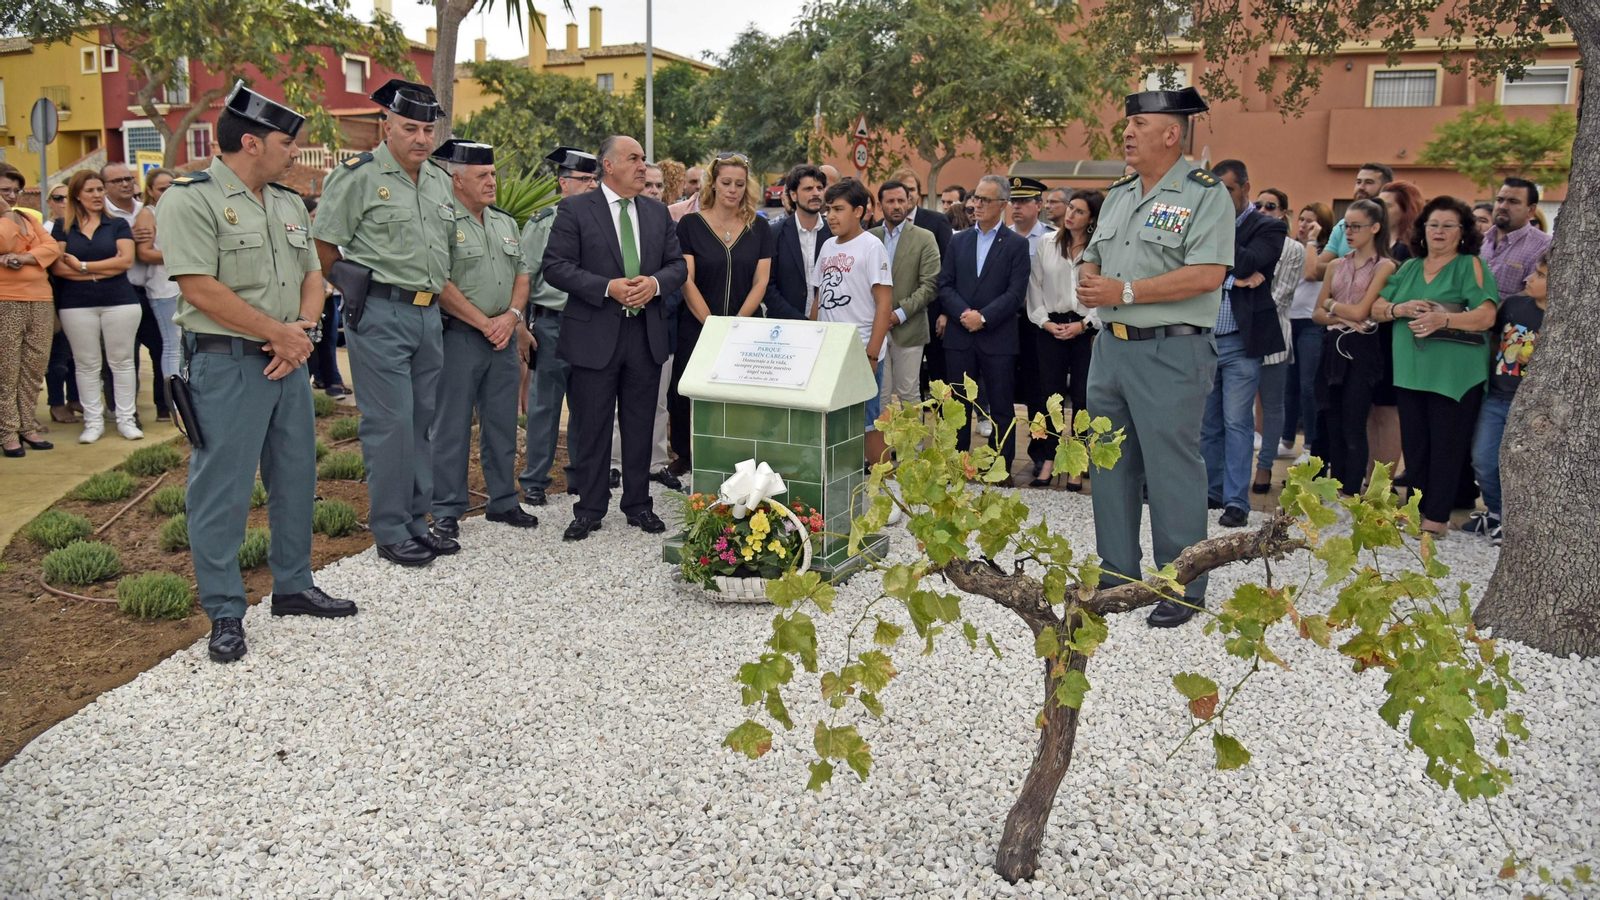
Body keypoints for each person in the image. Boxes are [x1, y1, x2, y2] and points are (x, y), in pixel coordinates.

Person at [156, 82, 358, 663]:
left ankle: (293, 585)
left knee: (295, 478)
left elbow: (312, 276)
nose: (294, 152)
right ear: (250, 142)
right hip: (227, 365)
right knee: (222, 490)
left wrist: (300, 333)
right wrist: (280, 334)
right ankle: (224, 609)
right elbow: (199, 287)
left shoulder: (289, 203)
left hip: (287, 361)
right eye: (285, 142)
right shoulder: (189, 199)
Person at [1077, 87, 1234, 628]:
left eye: (1139, 124)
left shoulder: (1204, 194)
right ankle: (1118, 571)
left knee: (1171, 470)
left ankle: (1181, 584)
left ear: (1172, 133)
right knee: (1109, 465)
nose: (1126, 132)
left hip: (1171, 350)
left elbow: (1208, 273)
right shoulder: (1120, 192)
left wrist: (1125, 292)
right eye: (1128, 123)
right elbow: (1094, 254)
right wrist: (1088, 281)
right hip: (1111, 350)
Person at [311, 78, 460, 567]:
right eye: (410, 128)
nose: (421, 138)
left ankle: (418, 522)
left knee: (420, 423)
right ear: (386, 126)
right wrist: (351, 289)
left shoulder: (438, 179)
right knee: (390, 424)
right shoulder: (356, 176)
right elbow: (325, 246)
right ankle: (391, 528)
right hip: (380, 312)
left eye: (427, 130)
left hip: (427, 313)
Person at [542, 134, 687, 542]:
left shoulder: (658, 214)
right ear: (608, 166)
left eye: (643, 159)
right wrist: (608, 287)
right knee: (592, 426)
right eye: (634, 159)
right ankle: (589, 508)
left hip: (645, 336)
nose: (643, 166)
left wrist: (655, 284)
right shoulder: (574, 209)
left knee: (640, 425)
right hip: (594, 336)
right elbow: (555, 267)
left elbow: (678, 266)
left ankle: (639, 505)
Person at [426, 139, 538, 541]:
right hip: (459, 338)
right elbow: (440, 280)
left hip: (503, 339)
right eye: (483, 176)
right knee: (451, 427)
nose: (492, 182)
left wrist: (510, 318)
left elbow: (522, 274)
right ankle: (447, 510)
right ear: (457, 180)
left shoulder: (504, 222)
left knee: (502, 424)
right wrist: (483, 323)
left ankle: (504, 500)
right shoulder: (441, 221)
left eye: (493, 174)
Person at [1368, 197, 1499, 538]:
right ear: (1422, 231)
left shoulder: (1470, 265)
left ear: (1463, 232)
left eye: (1448, 225)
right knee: (1415, 448)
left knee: (1446, 446)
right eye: (1433, 224)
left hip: (1455, 374)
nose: (1439, 231)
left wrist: (1445, 319)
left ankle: (1436, 517)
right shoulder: (1409, 267)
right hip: (1411, 371)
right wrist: (1401, 308)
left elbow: (1486, 315)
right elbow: (1377, 307)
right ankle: (1415, 509)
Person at [669, 153, 774, 469]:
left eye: (739, 184)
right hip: (697, 325)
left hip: (745, 329)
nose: (733, 190)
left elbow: (762, 280)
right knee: (688, 392)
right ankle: (687, 455)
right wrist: (712, 324)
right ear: (712, 183)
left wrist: (738, 324)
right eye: (726, 183)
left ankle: (738, 456)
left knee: (739, 396)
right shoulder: (690, 224)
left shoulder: (760, 228)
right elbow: (686, 278)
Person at [1200, 160, 1285, 528]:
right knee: (1207, 424)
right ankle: (1211, 490)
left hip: (1240, 341)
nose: (1220, 198)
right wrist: (1233, 280)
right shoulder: (1201, 223)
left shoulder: (1268, 226)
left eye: (1228, 191)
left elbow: (1250, 260)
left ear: (1246, 188)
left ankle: (1237, 501)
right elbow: (1193, 270)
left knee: (1237, 422)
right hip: (1203, 338)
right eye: (1215, 191)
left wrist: (1218, 230)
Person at [518, 147, 599, 507]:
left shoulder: (602, 221)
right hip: (551, 323)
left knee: (587, 404)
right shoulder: (543, 222)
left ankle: (581, 477)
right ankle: (535, 479)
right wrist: (520, 323)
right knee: (544, 406)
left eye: (594, 179)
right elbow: (524, 276)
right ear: (563, 183)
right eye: (583, 180)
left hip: (592, 322)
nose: (591, 185)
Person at [937, 174, 1031, 474]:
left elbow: (1015, 293)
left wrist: (984, 317)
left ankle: (1000, 468)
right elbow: (945, 285)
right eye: (975, 198)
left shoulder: (1016, 244)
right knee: (958, 407)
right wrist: (964, 313)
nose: (976, 204)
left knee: (1002, 408)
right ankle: (957, 465)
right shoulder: (958, 240)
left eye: (984, 200)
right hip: (959, 336)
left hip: (997, 338)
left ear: (1002, 205)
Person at [1309, 199, 1396, 497]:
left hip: (1362, 346)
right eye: (1346, 225)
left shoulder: (1385, 266)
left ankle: (1351, 490)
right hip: (1333, 343)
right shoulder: (1336, 265)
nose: (1349, 231)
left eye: (1356, 226)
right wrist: (1336, 309)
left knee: (1354, 423)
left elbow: (1362, 312)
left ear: (1375, 228)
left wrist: (1333, 306)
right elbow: (1317, 313)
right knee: (1331, 420)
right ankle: (1335, 487)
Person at [50, 172, 141, 443]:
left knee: (122, 362)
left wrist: (82, 267)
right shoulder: (62, 226)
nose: (97, 195)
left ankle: (126, 419)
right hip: (76, 305)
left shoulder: (119, 225)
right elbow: (57, 267)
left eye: (100, 189)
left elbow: (125, 262)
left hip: (120, 301)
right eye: (90, 190)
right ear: (77, 195)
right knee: (86, 364)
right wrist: (100, 272)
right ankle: (92, 422)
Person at [811, 179, 895, 464]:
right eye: (828, 210)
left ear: (859, 211)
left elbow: (884, 304)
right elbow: (818, 298)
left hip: (861, 351)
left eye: (838, 209)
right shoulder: (826, 247)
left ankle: (887, 490)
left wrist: (872, 354)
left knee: (868, 423)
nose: (830, 216)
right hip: (828, 350)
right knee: (832, 422)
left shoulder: (872, 247)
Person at [1024, 188, 1102, 489]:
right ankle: (1049, 460)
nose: (1070, 214)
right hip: (1050, 328)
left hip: (1085, 330)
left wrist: (1084, 324)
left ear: (1092, 218)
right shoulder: (1047, 243)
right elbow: (1035, 287)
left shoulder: (1098, 250)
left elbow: (1103, 296)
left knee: (1082, 399)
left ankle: (1076, 464)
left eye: (1079, 211)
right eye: (1070, 208)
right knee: (1049, 399)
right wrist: (1045, 322)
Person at [1468, 250, 1546, 547]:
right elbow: (1491, 337)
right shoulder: (1514, 305)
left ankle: (1515, 520)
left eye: (1540, 275)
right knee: (1484, 459)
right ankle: (1496, 512)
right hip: (1498, 398)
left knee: (1522, 466)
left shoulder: (1563, 319)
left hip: (1533, 407)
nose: (1530, 278)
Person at [0, 168, 62, 457]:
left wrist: (23, 257)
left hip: (40, 299)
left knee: (34, 367)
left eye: (15, 190)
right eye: (4, 191)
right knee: (6, 370)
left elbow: (51, 249)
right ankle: (7, 430)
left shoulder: (28, 218)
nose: (12, 196)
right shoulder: (11, 219)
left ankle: (27, 425)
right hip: (6, 299)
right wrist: (5, 217)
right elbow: (3, 244)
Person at [101, 162, 168, 422]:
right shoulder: (102, 214)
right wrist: (125, 236)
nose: (125, 184)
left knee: (162, 347)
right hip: (115, 290)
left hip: (147, 290)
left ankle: (165, 407)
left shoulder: (146, 212)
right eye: (117, 180)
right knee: (121, 355)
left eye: (128, 178)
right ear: (105, 186)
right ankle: (123, 411)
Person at [1248, 187, 1305, 494]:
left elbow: (1279, 297)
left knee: (1271, 406)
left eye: (1272, 206)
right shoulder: (1245, 239)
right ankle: (1237, 467)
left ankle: (1265, 466)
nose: (1264, 209)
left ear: (1283, 212)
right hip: (1239, 336)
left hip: (1273, 337)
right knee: (1237, 409)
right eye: (1260, 204)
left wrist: (1245, 287)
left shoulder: (1294, 248)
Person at [869, 180, 942, 413]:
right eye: (891, 201)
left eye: (902, 200)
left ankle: (914, 450)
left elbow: (930, 285)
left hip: (909, 328)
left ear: (909, 202)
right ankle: (882, 448)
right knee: (878, 393)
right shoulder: (869, 238)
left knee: (909, 393)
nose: (897, 205)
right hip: (873, 329)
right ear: (880, 206)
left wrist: (898, 315)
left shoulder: (924, 238)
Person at [1006, 175, 1056, 474]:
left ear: (1039, 205)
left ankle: (1040, 451)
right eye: (1014, 201)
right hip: (1004, 322)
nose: (1017, 207)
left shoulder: (1052, 238)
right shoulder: (1002, 237)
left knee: (1039, 392)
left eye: (1024, 202)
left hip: (1036, 322)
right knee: (1003, 390)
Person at [1280, 202, 1332, 461]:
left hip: (1312, 324)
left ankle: (1310, 446)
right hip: (1290, 322)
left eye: (1310, 221)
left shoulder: (1323, 253)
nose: (1302, 225)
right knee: (1290, 386)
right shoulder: (1290, 248)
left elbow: (1312, 274)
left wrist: (1312, 241)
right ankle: (1287, 441)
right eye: (1301, 220)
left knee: (1309, 386)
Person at [133, 168, 182, 411]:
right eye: (162, 188)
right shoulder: (147, 214)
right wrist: (183, 256)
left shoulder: (182, 211)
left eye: (173, 185)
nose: (169, 191)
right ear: (150, 191)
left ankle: (185, 398)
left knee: (186, 345)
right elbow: (144, 253)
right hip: (163, 289)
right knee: (171, 346)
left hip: (187, 286)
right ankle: (174, 403)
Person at [764, 164, 831, 321]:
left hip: (827, 325)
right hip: (784, 325)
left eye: (819, 188)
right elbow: (767, 286)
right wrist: (799, 320)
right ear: (793, 195)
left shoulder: (834, 234)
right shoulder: (774, 233)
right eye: (808, 189)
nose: (816, 193)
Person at [41, 181, 81, 425]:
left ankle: (75, 399)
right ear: (49, 202)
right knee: (57, 357)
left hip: (75, 296)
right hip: (52, 298)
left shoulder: (76, 227)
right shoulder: (42, 230)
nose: (64, 203)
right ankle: (56, 403)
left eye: (68, 198)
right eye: (58, 198)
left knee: (76, 355)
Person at [1311, 163, 1393, 279]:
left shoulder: (1392, 224)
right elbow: (1318, 270)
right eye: (1358, 182)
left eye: (1369, 182)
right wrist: (1353, 266)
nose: (1361, 187)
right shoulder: (1342, 225)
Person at [1481, 177, 1552, 300]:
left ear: (1531, 210)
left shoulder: (1543, 245)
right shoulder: (1481, 241)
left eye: (1513, 202)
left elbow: (1532, 293)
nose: (1503, 206)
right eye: (1499, 200)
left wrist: (1492, 311)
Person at [887, 166, 953, 256]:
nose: (907, 194)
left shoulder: (938, 222)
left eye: (911, 189)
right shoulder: (881, 226)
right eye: (902, 190)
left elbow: (947, 260)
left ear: (919, 193)